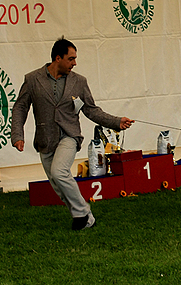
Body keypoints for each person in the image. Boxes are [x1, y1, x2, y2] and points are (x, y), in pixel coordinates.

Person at [11, 37, 134, 230]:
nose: (75, 63)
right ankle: (87, 219)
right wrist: (17, 135)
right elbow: (20, 108)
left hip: (69, 135)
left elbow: (92, 110)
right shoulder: (32, 79)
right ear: (57, 58)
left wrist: (116, 121)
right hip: (45, 139)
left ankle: (81, 214)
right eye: (71, 59)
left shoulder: (79, 81)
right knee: (58, 185)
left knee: (59, 172)